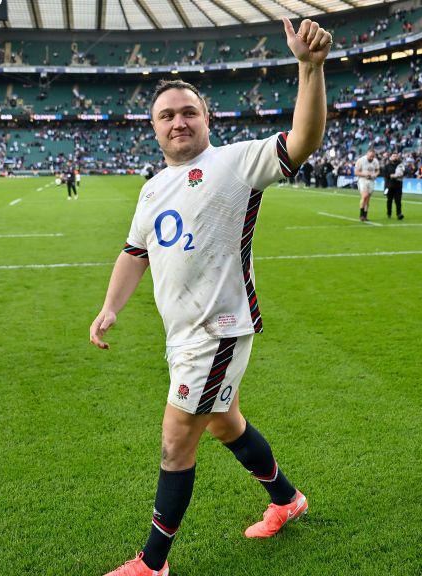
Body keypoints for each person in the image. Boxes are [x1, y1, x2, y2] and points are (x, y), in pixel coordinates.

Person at [91, 17, 332, 576]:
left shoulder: (233, 162)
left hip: (218, 328)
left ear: (207, 119)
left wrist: (309, 68)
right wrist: (110, 307)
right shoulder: (153, 187)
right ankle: (287, 500)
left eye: (188, 112)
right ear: (153, 127)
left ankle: (152, 565)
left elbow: (303, 140)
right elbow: (135, 253)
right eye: (167, 115)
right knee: (226, 424)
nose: (178, 121)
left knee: (177, 443)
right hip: (181, 333)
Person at [354, 148, 379, 222]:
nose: (371, 158)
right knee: (364, 196)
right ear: (367, 154)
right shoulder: (361, 160)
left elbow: (378, 170)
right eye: (370, 156)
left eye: (373, 157)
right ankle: (361, 215)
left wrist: (375, 174)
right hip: (363, 180)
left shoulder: (375, 161)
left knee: (368, 199)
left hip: (371, 180)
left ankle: (365, 215)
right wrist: (365, 174)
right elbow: (356, 172)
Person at [382, 152, 404, 220]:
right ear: (390, 157)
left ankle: (399, 214)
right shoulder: (387, 166)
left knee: (398, 201)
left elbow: (405, 172)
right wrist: (391, 175)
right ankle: (389, 213)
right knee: (389, 200)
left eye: (396, 156)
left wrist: (401, 174)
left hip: (398, 186)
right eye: (393, 156)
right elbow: (385, 175)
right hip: (389, 185)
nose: (395, 157)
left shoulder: (400, 165)